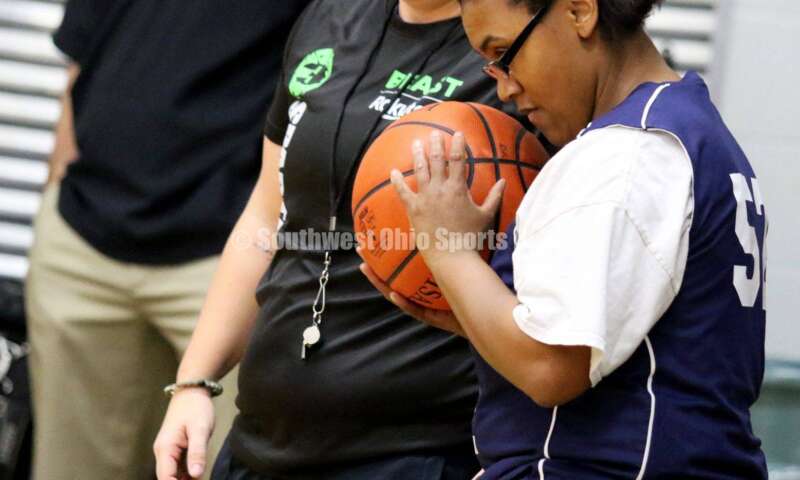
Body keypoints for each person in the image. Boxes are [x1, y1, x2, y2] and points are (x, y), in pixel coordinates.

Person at [362, 0, 769, 478]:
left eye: (505, 52)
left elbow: (550, 370)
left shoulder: (625, 154)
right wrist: (475, 314)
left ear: (579, 10)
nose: (505, 86)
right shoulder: (687, 129)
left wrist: (449, 251)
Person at [152, 0, 538, 478]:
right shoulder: (330, 15)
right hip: (262, 436)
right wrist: (195, 380)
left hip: (416, 450)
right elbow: (268, 213)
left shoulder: (515, 41)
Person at [24, 1, 309, 479]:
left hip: (230, 261)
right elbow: (84, 60)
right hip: (81, 241)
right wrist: (57, 189)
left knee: (221, 466)